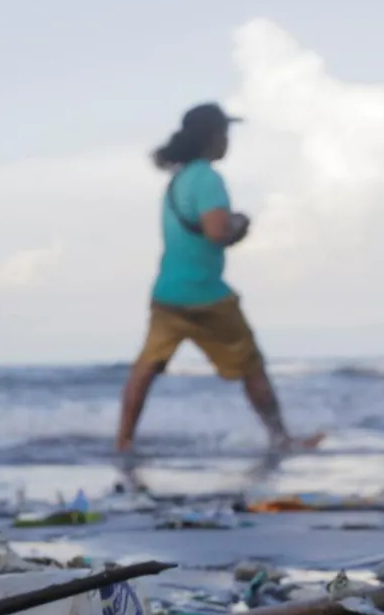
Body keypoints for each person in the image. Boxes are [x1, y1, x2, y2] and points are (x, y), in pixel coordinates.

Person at [117, 103, 320, 455]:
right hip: (205, 294)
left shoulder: (177, 181)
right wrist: (239, 225)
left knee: (146, 367)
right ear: (212, 138)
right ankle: (281, 439)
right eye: (225, 133)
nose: (228, 141)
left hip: (167, 292)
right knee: (251, 365)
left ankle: (123, 442)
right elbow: (216, 232)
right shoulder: (209, 179)